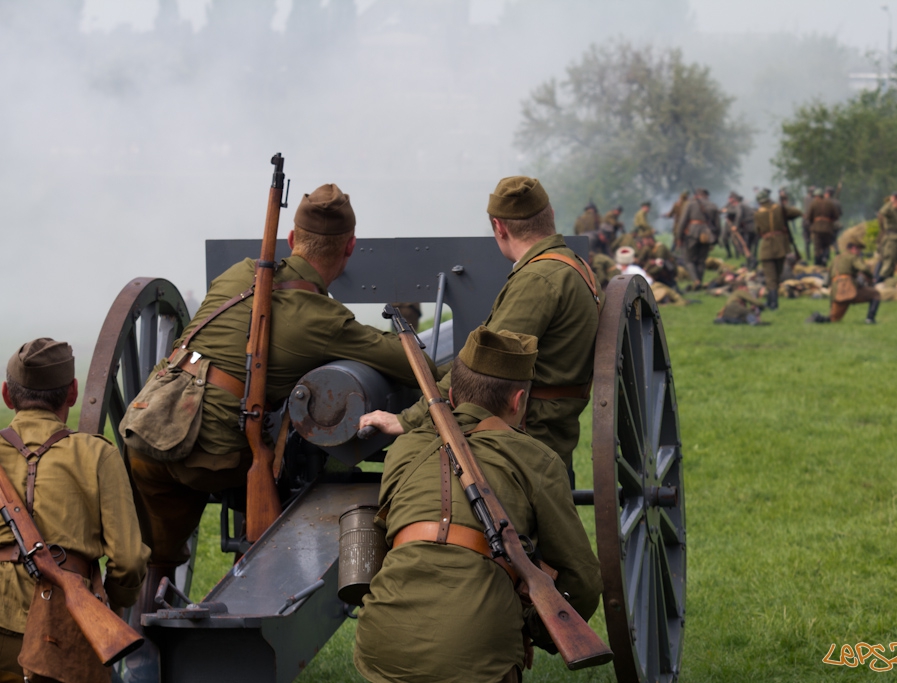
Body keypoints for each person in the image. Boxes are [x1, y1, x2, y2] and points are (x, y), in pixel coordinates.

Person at [125, 183, 434, 611]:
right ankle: (256, 587)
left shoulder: (236, 274)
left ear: (292, 239)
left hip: (146, 432)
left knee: (160, 552)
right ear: (350, 248)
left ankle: (144, 625)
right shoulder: (322, 318)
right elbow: (414, 365)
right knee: (276, 464)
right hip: (213, 456)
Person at [353, 326, 602, 683]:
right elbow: (582, 582)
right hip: (479, 648)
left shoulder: (404, 449)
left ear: (452, 394)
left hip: (384, 642)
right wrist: (530, 628)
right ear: (519, 401)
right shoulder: (538, 458)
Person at [360, 177, 600, 475]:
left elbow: (483, 368)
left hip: (522, 436)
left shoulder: (538, 280)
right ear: (549, 214)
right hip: (544, 428)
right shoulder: (573, 266)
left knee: (406, 458)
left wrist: (406, 420)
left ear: (499, 227)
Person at [0, 339, 149, 683]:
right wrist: (107, 607)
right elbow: (128, 561)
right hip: (63, 635)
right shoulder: (98, 454)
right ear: (73, 393)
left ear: (7, 395)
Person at [808, 236, 880, 323]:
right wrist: (872, 277)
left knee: (833, 319)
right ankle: (870, 319)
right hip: (849, 289)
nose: (859, 252)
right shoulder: (852, 257)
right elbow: (863, 268)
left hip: (836, 292)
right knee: (875, 294)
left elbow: (827, 276)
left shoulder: (836, 258)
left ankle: (817, 318)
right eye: (859, 249)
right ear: (854, 248)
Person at [754, 189, 802, 310]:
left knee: (770, 277)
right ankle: (771, 302)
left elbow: (758, 230)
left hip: (767, 248)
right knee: (777, 275)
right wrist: (783, 211)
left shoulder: (758, 214)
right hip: (781, 247)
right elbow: (797, 212)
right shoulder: (779, 208)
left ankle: (773, 303)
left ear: (759, 202)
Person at [679, 190, 716, 288]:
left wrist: (679, 236)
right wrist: (714, 240)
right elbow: (717, 225)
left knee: (688, 260)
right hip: (707, 235)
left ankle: (696, 280)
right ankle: (699, 280)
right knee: (701, 260)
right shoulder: (713, 205)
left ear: (697, 195)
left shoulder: (690, 204)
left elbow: (682, 221)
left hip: (692, 233)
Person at [806, 188, 840, 266]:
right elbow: (836, 216)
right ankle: (824, 259)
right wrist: (829, 221)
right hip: (828, 228)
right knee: (826, 246)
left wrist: (813, 222)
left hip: (817, 229)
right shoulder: (830, 203)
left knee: (817, 246)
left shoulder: (813, 204)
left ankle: (818, 262)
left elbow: (809, 217)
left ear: (816, 196)